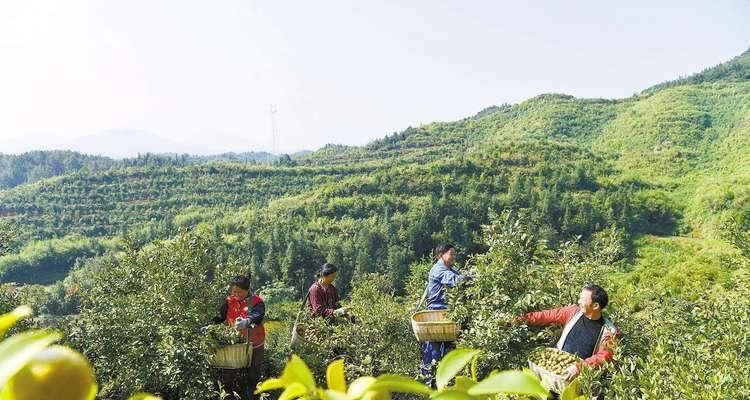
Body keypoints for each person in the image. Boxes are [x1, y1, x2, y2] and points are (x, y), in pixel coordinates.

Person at [520, 284, 620, 382]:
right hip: (556, 368)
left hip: (579, 378)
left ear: (595, 306)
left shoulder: (609, 331)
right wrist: (521, 319)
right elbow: (547, 315)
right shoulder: (574, 312)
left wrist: (580, 366)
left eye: (583, 299)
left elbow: (604, 356)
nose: (579, 301)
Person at [420, 243, 471, 387]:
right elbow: (455, 280)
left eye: (455, 254)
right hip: (436, 314)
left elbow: (458, 277)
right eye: (451, 254)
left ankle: (445, 381)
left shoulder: (450, 269)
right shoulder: (439, 269)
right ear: (441, 255)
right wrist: (471, 278)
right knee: (433, 349)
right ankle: (429, 383)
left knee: (448, 348)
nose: (454, 257)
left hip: (447, 314)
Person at [209, 275, 266, 400]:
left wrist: (247, 321)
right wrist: (208, 325)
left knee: (253, 376)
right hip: (234, 345)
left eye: (239, 292)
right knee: (228, 375)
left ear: (247, 290)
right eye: (234, 291)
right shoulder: (229, 301)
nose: (236, 294)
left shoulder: (255, 301)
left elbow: (258, 315)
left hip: (254, 344)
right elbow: (220, 317)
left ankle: (253, 397)